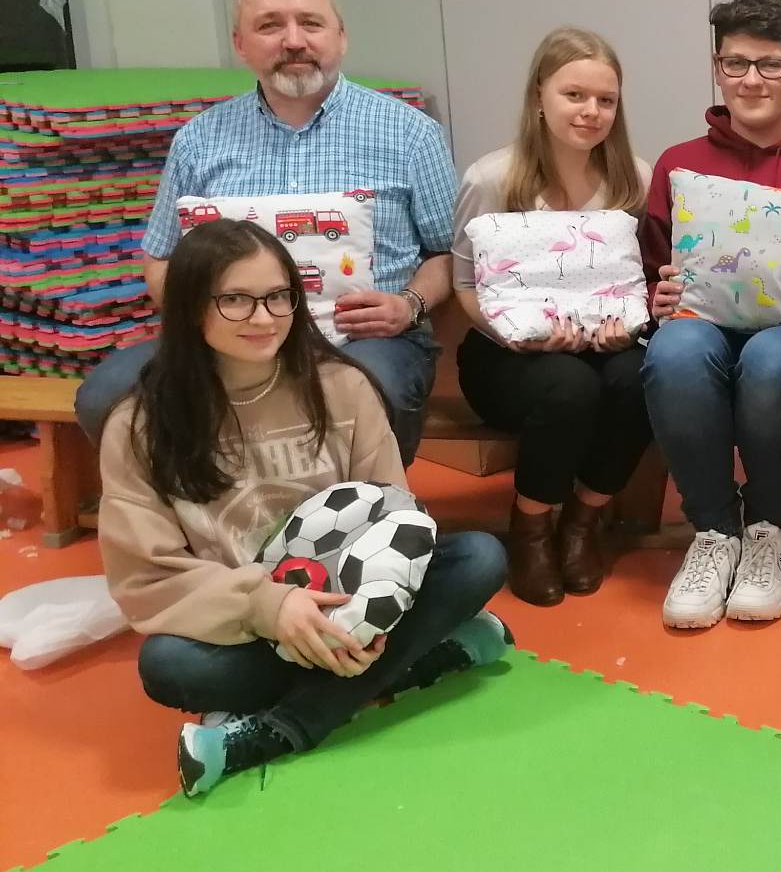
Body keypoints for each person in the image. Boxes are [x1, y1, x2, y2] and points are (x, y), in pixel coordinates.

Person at [99, 221, 511, 799]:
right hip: (244, 622)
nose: (264, 318)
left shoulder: (343, 387)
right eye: (236, 300)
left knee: (479, 557)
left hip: (349, 601)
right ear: (191, 307)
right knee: (168, 665)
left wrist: (371, 612)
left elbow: (393, 515)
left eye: (278, 296)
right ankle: (423, 657)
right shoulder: (140, 424)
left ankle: (280, 728)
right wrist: (268, 606)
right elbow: (146, 577)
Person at [78, 0, 459, 462]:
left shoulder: (410, 134)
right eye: (270, 25)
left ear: (341, 37)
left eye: (311, 23)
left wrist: (408, 305)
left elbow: (450, 253)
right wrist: (203, 319)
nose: (293, 40)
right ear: (241, 44)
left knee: (374, 389)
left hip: (362, 339)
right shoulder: (199, 139)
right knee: (105, 396)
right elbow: (161, 257)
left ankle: (366, 510)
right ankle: (199, 503)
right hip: (225, 340)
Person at [641, 0, 781, 627]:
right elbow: (652, 264)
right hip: (701, 324)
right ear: (717, 69)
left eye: (770, 64)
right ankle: (715, 532)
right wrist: (658, 293)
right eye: (735, 63)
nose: (752, 80)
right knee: (674, 352)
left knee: (772, 358)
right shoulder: (679, 163)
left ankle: (768, 530)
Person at [452, 27, 652, 607]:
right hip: (505, 354)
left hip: (603, 344)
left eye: (606, 100)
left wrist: (626, 332)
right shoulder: (492, 179)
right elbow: (463, 283)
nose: (591, 111)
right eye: (574, 95)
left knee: (642, 377)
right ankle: (532, 528)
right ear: (539, 96)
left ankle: (583, 522)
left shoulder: (634, 178)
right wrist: (516, 337)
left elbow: (640, 277)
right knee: (568, 386)